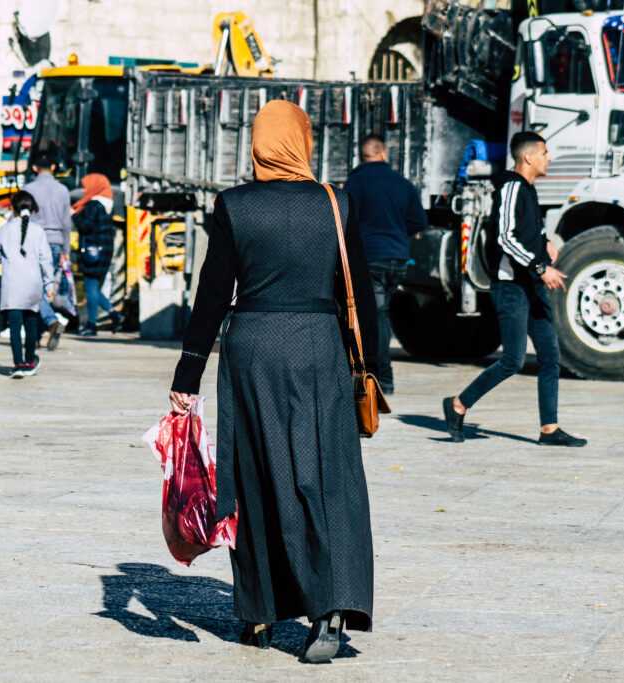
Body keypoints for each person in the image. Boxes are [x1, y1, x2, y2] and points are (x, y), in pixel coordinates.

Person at [167, 100, 378, 664]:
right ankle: (328, 608)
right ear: (303, 141)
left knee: (257, 477)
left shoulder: (234, 206)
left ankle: (260, 611)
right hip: (319, 348)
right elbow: (359, 290)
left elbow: (213, 293)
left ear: (258, 144)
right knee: (324, 477)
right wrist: (374, 368)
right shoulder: (335, 202)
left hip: (253, 349)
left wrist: (188, 372)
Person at [442, 132, 587, 447]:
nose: (549, 158)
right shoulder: (510, 187)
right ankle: (457, 404)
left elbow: (530, 230)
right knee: (513, 360)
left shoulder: (529, 191)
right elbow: (506, 238)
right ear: (529, 157)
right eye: (545, 153)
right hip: (512, 288)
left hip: (532, 287)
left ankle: (549, 429)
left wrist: (545, 243)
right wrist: (539, 267)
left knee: (550, 356)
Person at [343, 134, 428, 395]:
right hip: (398, 259)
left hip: (371, 259)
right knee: (381, 315)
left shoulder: (354, 184)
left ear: (362, 155)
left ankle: (382, 379)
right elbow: (419, 222)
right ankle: (378, 376)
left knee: (375, 318)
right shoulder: (402, 183)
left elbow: (345, 221)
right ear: (383, 153)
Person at [0, 190, 55, 378]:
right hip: (33, 285)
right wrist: (49, 285)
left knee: (14, 326)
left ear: (12, 208)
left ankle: (18, 364)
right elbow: (46, 260)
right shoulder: (39, 232)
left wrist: (8, 260)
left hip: (12, 286)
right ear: (32, 210)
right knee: (31, 323)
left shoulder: (4, 229)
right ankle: (30, 361)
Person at [22, 150, 72, 350]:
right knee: (46, 286)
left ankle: (51, 321)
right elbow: (67, 223)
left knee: (35, 288)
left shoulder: (28, 188)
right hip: (56, 241)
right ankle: (39, 333)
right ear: (53, 167)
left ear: (34, 168)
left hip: (34, 242)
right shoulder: (63, 190)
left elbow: (23, 219)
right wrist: (65, 250)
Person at [72, 173, 122, 336]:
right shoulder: (108, 204)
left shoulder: (93, 205)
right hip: (104, 250)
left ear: (95, 186)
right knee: (93, 287)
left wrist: (75, 216)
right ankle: (114, 314)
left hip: (93, 251)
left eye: (86, 186)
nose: (83, 189)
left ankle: (91, 324)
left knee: (91, 287)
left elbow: (86, 226)